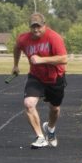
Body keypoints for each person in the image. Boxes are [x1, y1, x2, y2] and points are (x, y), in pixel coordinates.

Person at [12, 12, 68, 149]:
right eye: (33, 27)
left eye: (38, 27)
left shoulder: (54, 37)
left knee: (55, 109)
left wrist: (41, 60)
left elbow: (63, 59)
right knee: (28, 103)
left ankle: (50, 129)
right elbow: (17, 48)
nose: (36, 30)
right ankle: (40, 137)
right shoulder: (23, 39)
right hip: (36, 77)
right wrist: (15, 65)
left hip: (55, 77)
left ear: (44, 25)